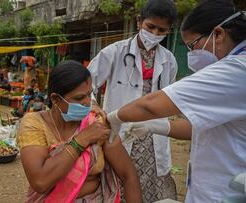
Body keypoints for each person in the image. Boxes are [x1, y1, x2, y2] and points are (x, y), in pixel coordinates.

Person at [106, 1, 246, 202]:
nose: (191, 54)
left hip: (224, 192)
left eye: (192, 45)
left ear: (218, 34)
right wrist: (158, 126)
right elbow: (201, 127)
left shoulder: (235, 71)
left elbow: (152, 104)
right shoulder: (114, 51)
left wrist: (114, 117)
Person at [87, 0, 178, 201]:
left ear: (169, 30)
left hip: (152, 135)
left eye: (161, 30)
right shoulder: (114, 52)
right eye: (150, 27)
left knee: (149, 186)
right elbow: (86, 82)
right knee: (117, 184)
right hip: (119, 132)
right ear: (139, 22)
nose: (154, 34)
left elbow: (168, 96)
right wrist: (93, 105)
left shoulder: (169, 60)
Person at [17, 60, 142, 202]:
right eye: (79, 98)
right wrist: (81, 140)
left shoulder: (96, 123)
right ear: (56, 99)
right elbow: (40, 181)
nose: (87, 102)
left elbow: (128, 175)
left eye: (90, 94)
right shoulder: (35, 124)